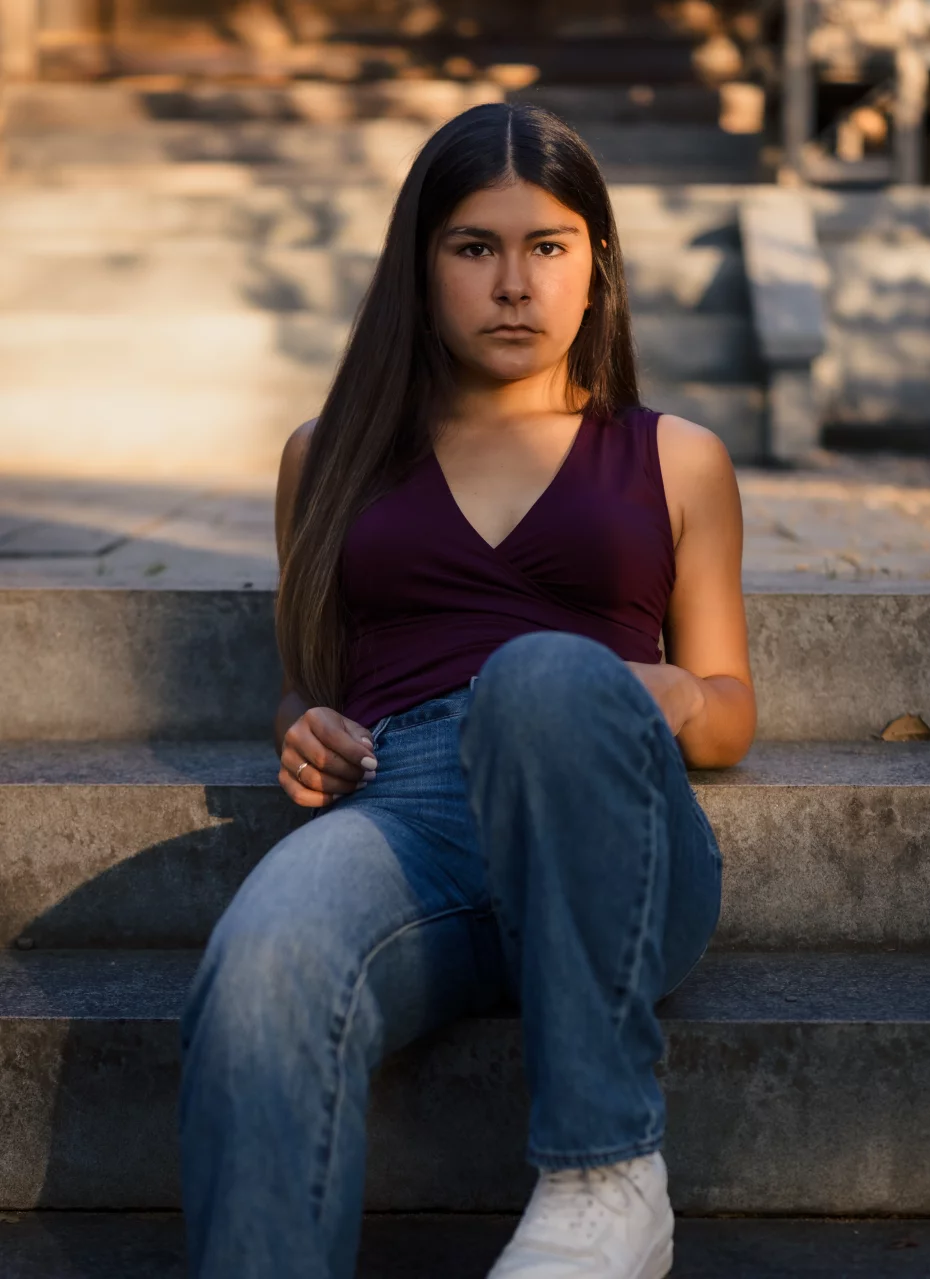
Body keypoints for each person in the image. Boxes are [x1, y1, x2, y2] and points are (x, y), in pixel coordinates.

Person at [177, 101, 756, 1279]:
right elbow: (302, 686)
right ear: (420, 264)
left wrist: (663, 695)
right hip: (407, 816)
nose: (513, 284)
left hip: (603, 817)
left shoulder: (675, 455)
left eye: (548, 246)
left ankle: (606, 1176)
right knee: (262, 960)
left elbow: (730, 705)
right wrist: (307, 731)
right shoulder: (328, 454)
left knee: (539, 676)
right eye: (474, 247)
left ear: (596, 264)